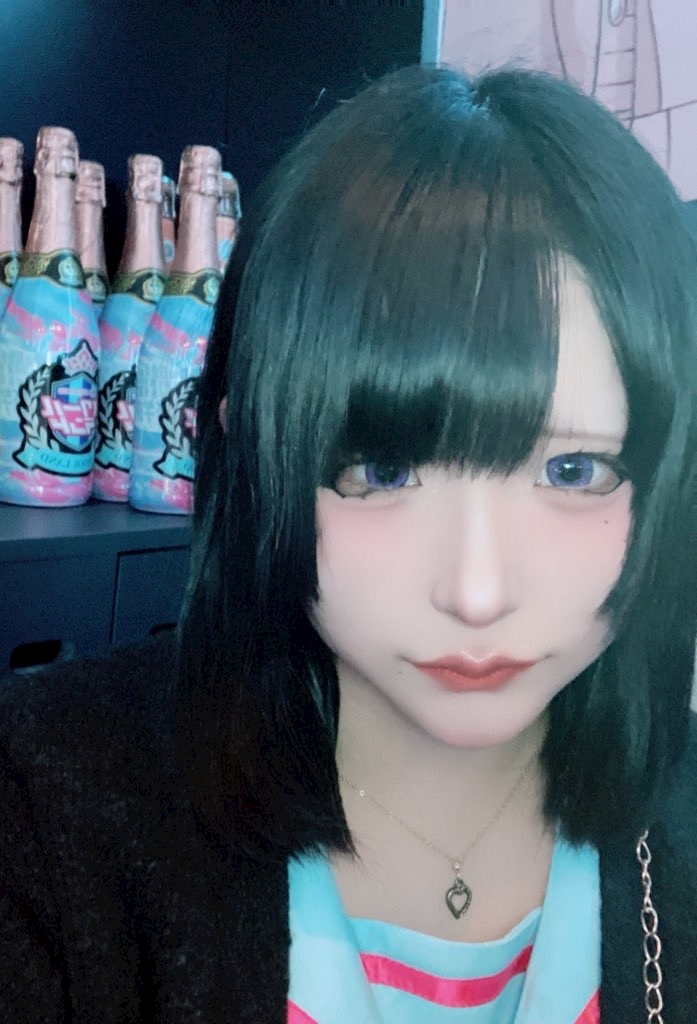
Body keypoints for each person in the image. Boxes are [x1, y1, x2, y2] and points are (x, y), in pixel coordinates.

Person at [0, 63, 696, 1023]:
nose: (477, 592)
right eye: (384, 471)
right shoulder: (44, 807)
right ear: (254, 453)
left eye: (574, 472)